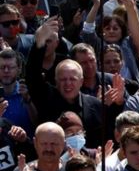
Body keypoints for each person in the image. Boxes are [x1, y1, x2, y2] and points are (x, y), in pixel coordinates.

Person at [26, 19, 104, 148]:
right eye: (63, 79)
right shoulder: (47, 98)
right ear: (56, 81)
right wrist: (39, 44)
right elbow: (32, 75)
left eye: (72, 79)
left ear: (81, 81)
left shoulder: (95, 105)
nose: (68, 83)